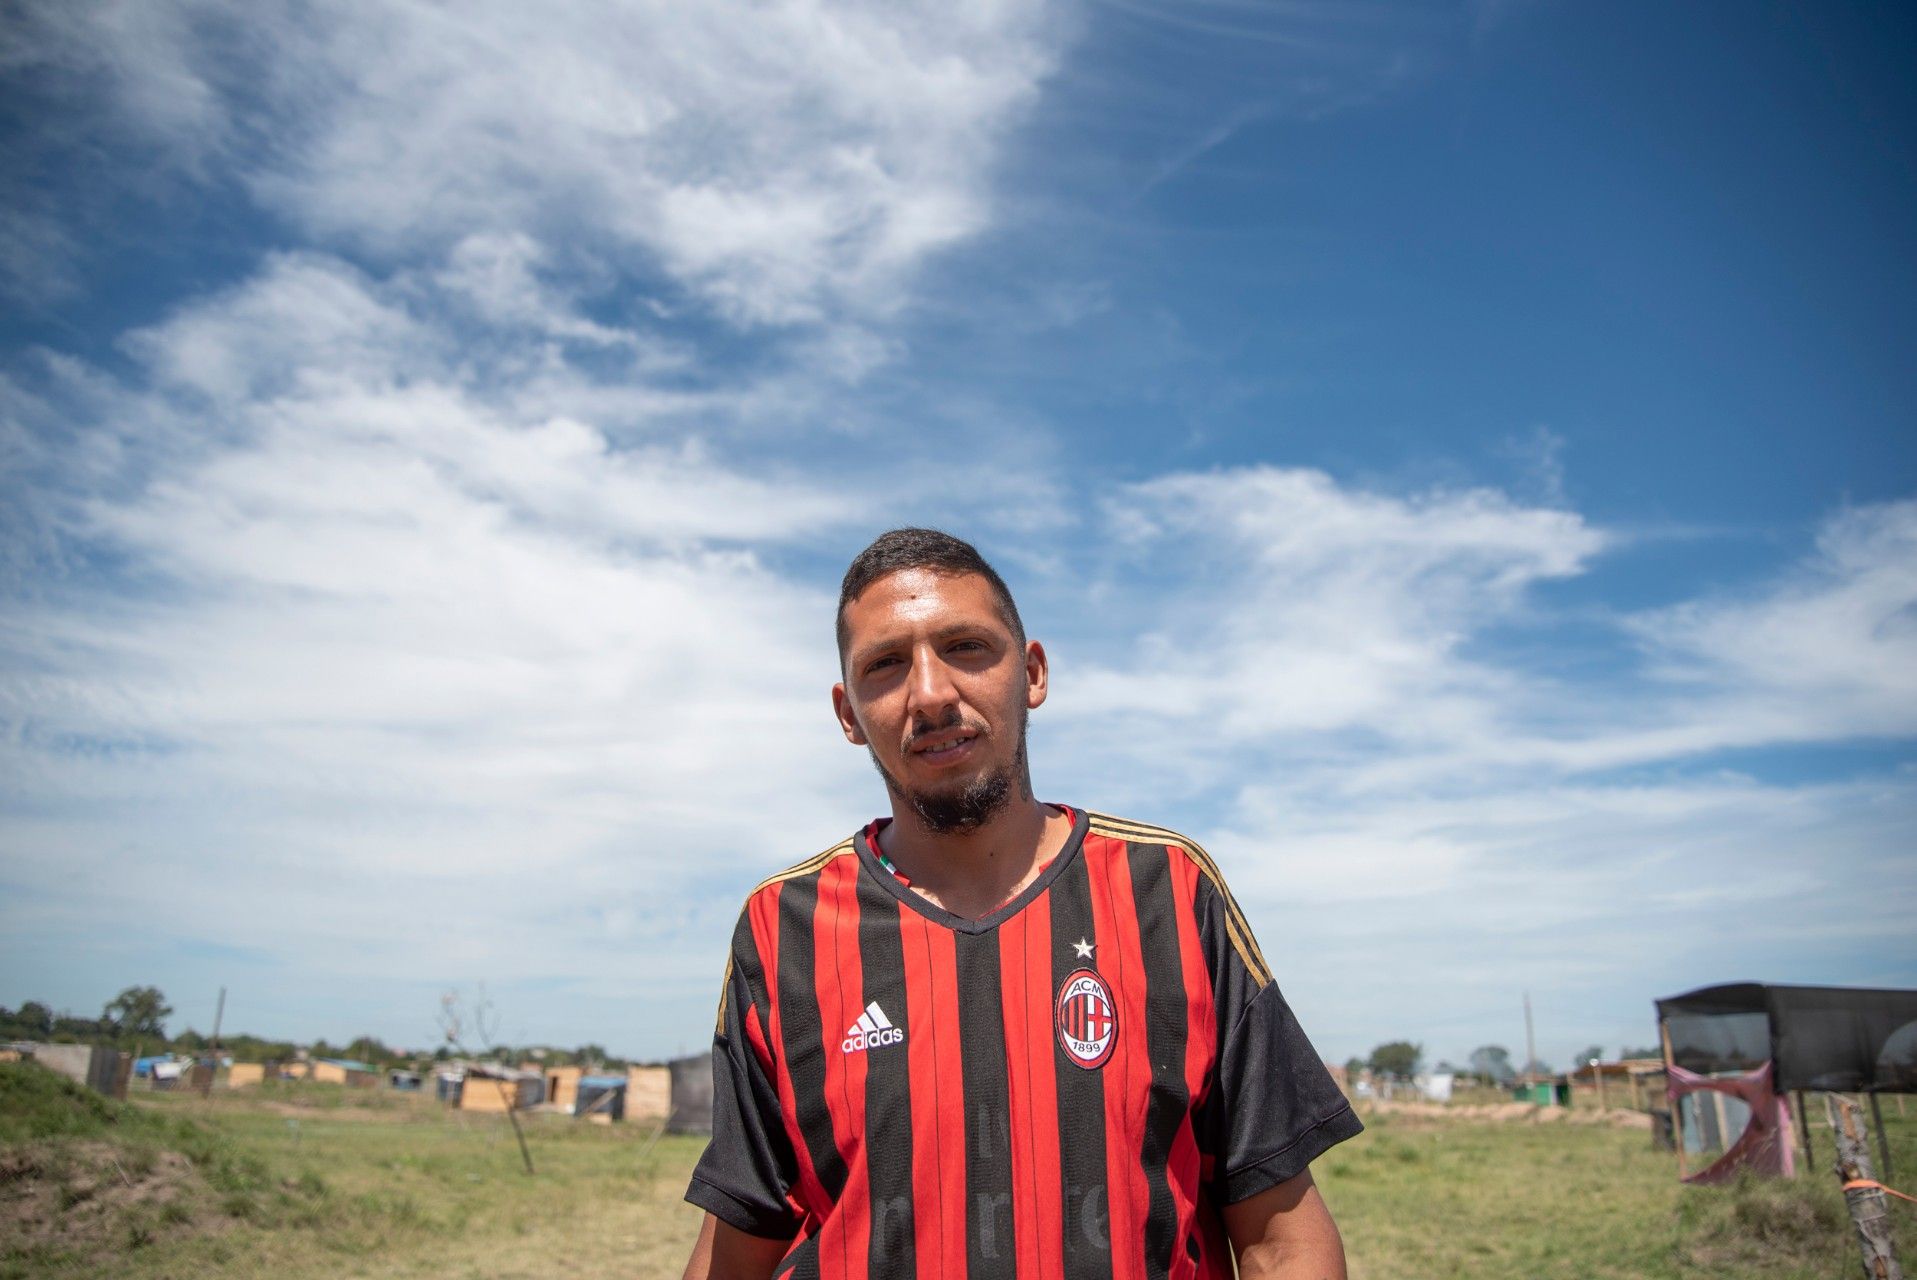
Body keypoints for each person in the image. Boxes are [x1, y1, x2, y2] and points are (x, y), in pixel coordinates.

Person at [682, 528, 1361, 1280]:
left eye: (966, 647)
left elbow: (1279, 1238)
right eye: (885, 665)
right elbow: (743, 1237)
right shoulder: (784, 929)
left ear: (1031, 672)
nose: (932, 693)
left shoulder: (1170, 890)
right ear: (848, 715)